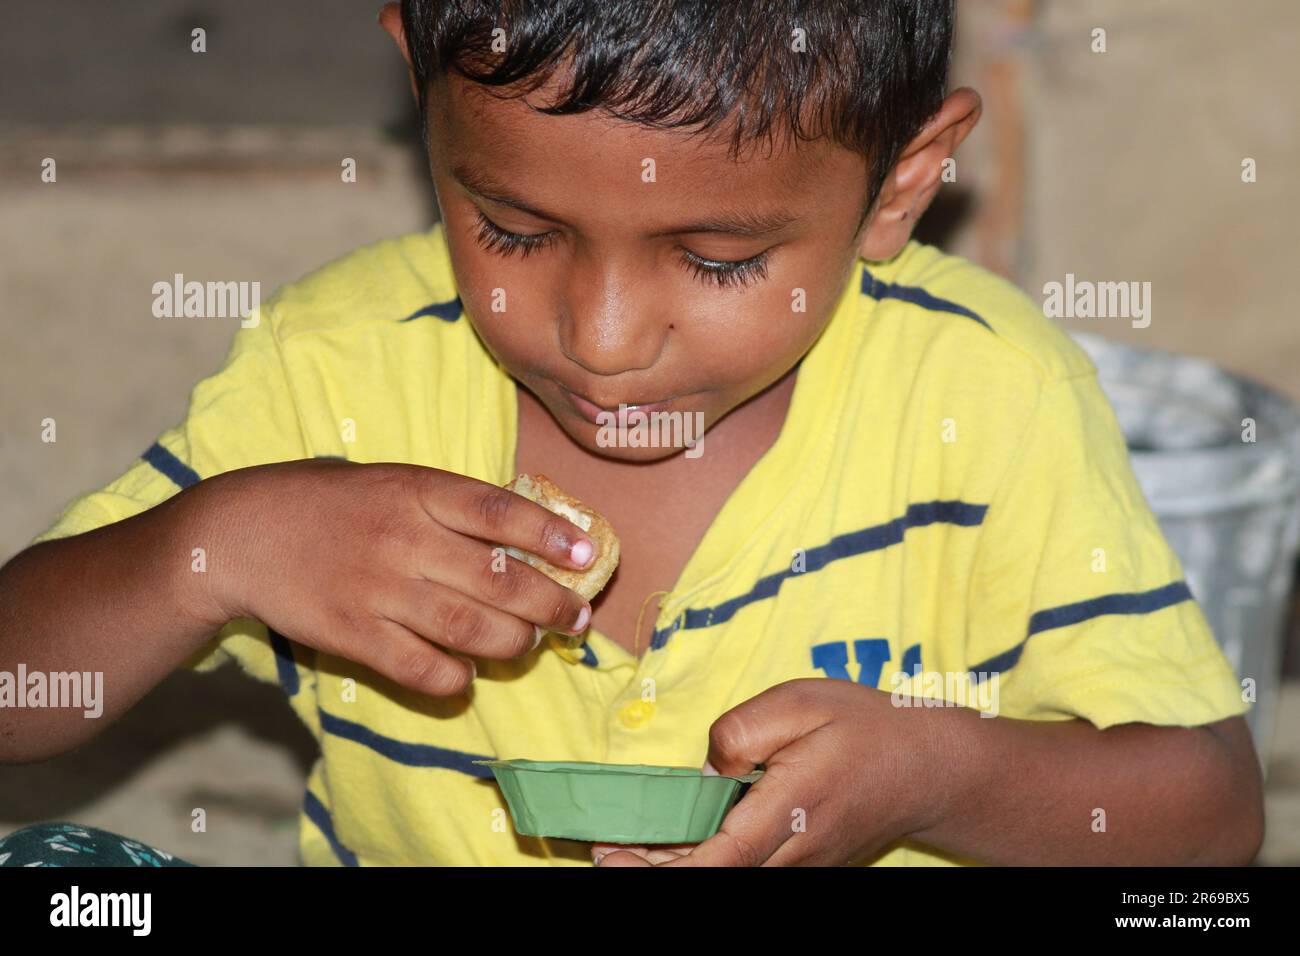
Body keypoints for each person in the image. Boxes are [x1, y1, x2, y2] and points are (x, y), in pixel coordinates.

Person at [0, 0, 1262, 867]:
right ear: (415, 83)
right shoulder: (333, 369)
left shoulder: (984, 389)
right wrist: (208, 551)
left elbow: (1207, 822)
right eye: (515, 231)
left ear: (902, 183)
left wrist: (940, 774)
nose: (601, 339)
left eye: (717, 258)